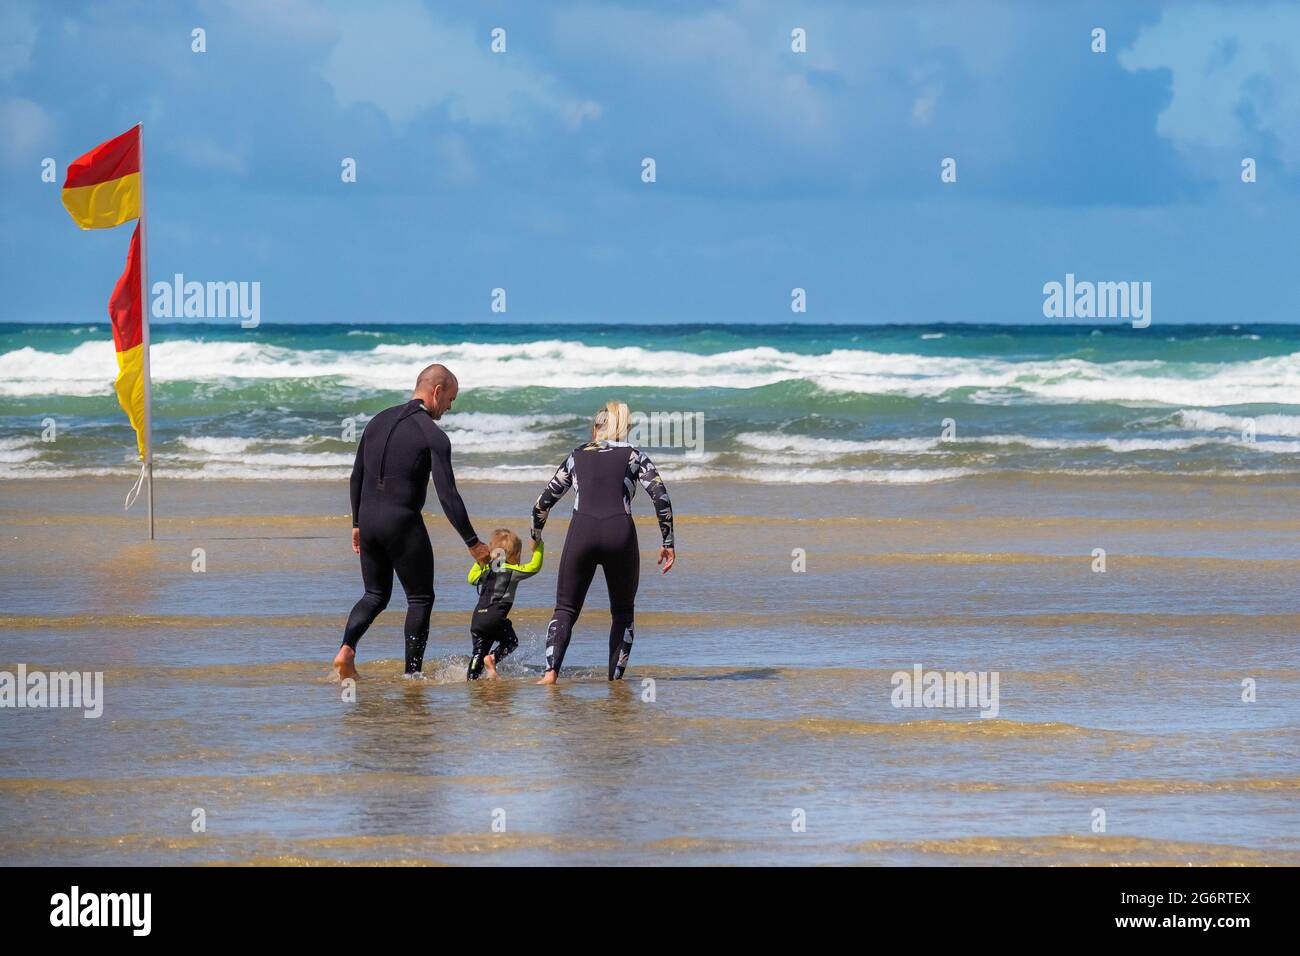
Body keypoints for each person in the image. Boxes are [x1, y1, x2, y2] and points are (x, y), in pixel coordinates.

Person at [334, 364, 491, 679]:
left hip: (368, 520)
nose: (448, 408)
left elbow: (357, 476)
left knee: (375, 595)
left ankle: (346, 650)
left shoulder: (377, 421)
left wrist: (356, 523)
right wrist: (473, 542)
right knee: (420, 598)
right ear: (437, 391)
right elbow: (448, 496)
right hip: (402, 522)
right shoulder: (433, 435)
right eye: (450, 399)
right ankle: (412, 675)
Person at [531, 401, 675, 684]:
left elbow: (542, 503)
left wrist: (536, 536)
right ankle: (615, 681)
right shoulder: (635, 456)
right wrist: (667, 541)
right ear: (624, 428)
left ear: (596, 428)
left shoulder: (576, 456)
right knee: (622, 612)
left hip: (581, 532)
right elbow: (661, 497)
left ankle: (550, 674)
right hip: (619, 533)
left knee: (565, 609)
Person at [466, 528, 544, 680]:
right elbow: (534, 566)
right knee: (511, 642)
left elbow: (471, 579)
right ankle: (493, 658)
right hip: (495, 617)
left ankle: (471, 681)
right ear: (515, 555)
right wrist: (539, 546)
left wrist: (481, 561)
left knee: (478, 653)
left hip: (477, 619)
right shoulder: (513, 571)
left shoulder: (487, 570)